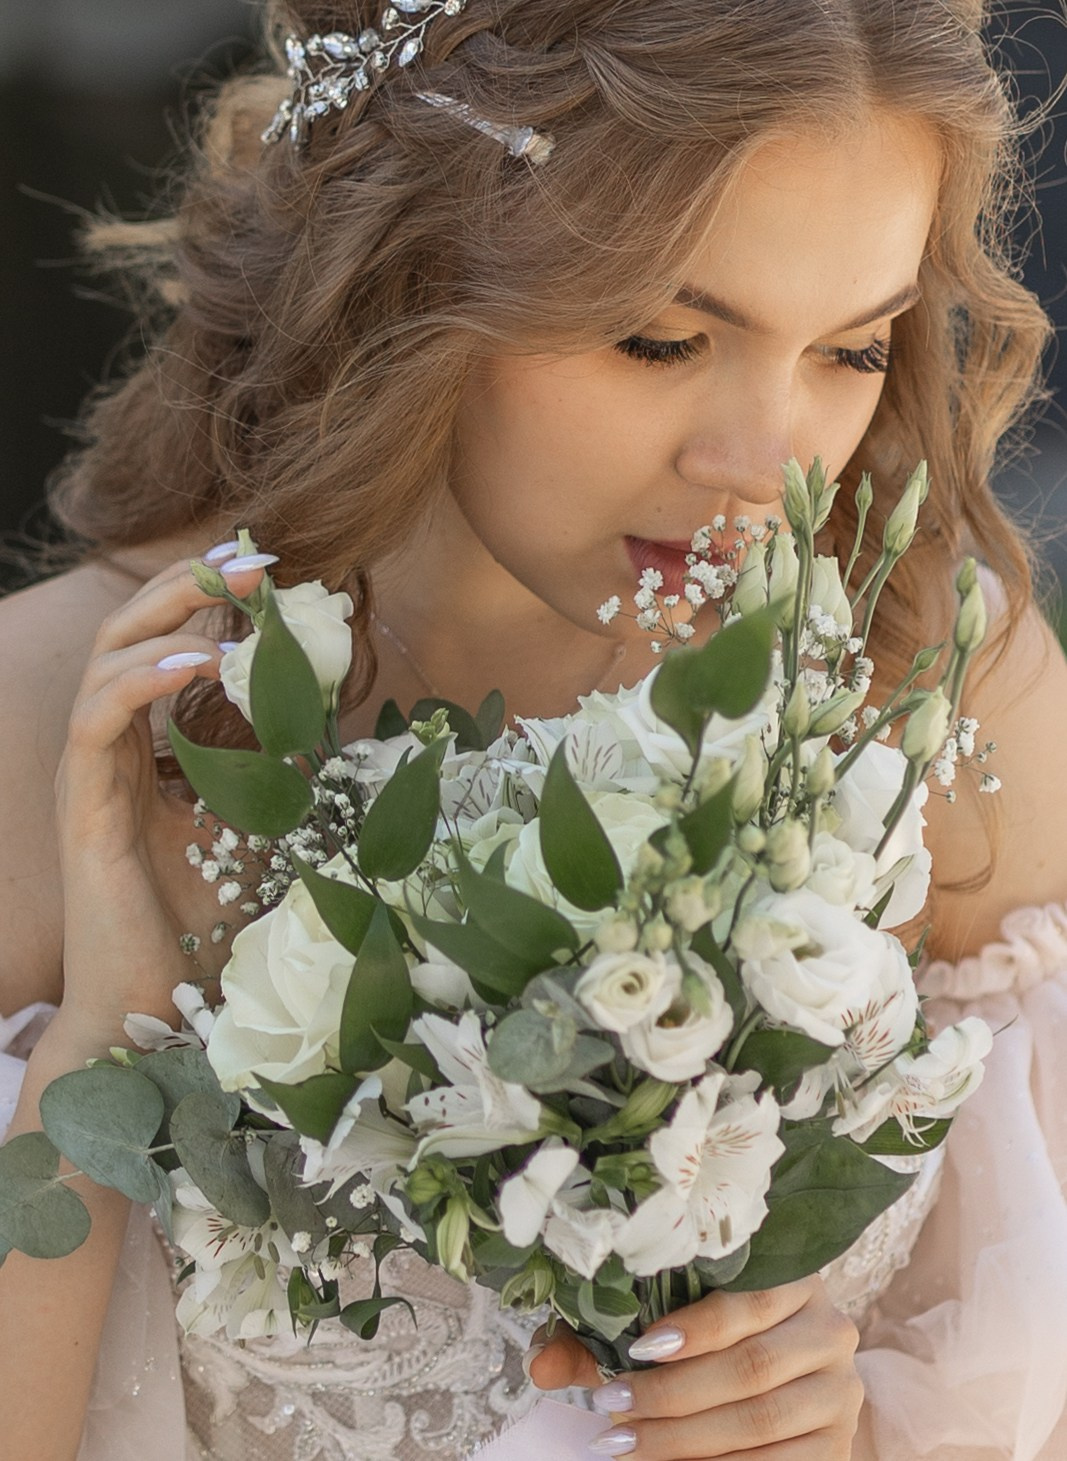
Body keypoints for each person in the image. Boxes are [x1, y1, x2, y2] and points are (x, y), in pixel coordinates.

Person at [1, 0, 1066, 1457]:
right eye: (660, 336)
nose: (759, 464)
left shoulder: (929, 685)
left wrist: (850, 1437)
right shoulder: (57, 723)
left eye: (853, 349)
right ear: (412, 271)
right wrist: (98, 1025)